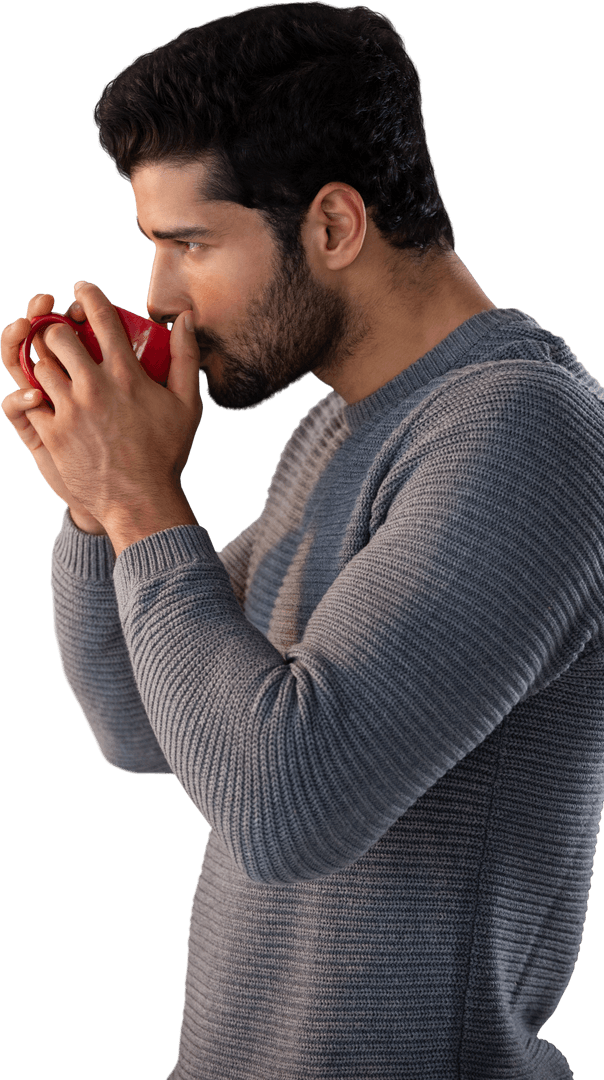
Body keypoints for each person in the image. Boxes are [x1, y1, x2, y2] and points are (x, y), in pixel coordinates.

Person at [2, 3, 603, 1077]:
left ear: (332, 225)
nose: (158, 299)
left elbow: (287, 807)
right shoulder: (342, 422)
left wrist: (143, 501)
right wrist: (95, 506)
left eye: (187, 244)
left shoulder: (525, 434)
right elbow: (145, 722)